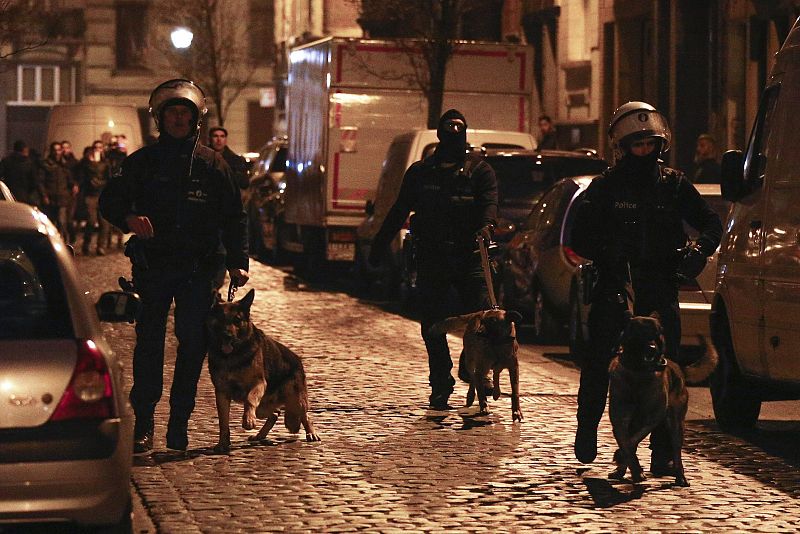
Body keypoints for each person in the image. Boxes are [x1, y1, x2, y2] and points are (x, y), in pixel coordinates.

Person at [570, 101, 723, 474]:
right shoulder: (605, 187)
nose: (643, 151)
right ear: (622, 147)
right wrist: (606, 250)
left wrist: (698, 252)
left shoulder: (673, 185)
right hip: (616, 287)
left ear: (660, 145)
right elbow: (579, 237)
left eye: (649, 144)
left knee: (664, 370)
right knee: (598, 364)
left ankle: (663, 451)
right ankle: (587, 426)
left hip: (659, 289)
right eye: (636, 145)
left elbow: (710, 223)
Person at [100, 79, 249, 453]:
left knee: (193, 341)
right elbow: (109, 202)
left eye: (185, 113)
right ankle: (145, 421)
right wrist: (129, 219)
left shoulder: (214, 165)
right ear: (160, 119)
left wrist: (238, 262)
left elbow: (235, 216)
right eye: (172, 113)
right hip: (154, 266)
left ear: (196, 119)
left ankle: (179, 421)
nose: (179, 119)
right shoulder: (142, 163)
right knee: (149, 342)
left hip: (199, 269)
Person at [368, 109, 498, 410]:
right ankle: (441, 383)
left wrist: (486, 226)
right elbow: (399, 210)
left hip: (469, 256)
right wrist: (379, 245)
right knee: (432, 325)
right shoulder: (421, 173)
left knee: (483, 317)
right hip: (433, 257)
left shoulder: (480, 172)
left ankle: (472, 365)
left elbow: (490, 205)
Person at [41, 141, 78, 242]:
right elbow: (41, 181)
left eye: (59, 150)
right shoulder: (46, 164)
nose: (57, 152)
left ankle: (63, 242)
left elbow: (69, 179)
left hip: (62, 197)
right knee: (51, 222)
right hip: (51, 197)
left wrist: (74, 185)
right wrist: (44, 195)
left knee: (62, 221)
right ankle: (52, 242)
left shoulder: (64, 164)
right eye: (55, 150)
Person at [78, 141, 111, 255]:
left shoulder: (106, 163)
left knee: (104, 223)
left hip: (102, 195)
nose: (97, 149)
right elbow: (81, 177)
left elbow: (109, 178)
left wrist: (101, 183)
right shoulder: (86, 163)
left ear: (102, 149)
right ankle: (86, 244)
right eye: (95, 147)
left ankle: (100, 247)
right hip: (90, 195)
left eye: (100, 147)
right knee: (91, 221)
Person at [0, 140, 43, 205]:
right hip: (24, 195)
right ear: (24, 150)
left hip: (8, 194)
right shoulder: (29, 163)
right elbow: (34, 181)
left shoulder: (6, 161)